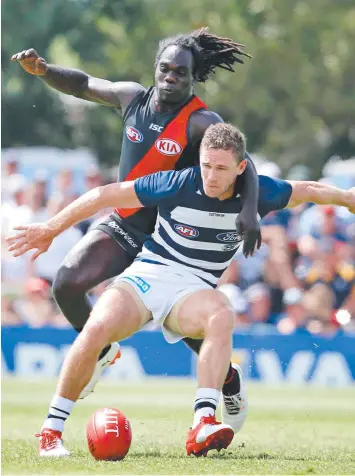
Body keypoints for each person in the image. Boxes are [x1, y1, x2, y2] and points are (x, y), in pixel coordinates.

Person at [8, 123, 355, 457]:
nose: (211, 175)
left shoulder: (262, 192)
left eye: (221, 168)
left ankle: (203, 422)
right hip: (149, 274)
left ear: (241, 167)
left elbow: (310, 189)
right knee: (95, 327)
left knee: (222, 312)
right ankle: (51, 432)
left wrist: (348, 199)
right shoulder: (176, 182)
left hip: (194, 289)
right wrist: (50, 228)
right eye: (206, 165)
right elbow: (104, 194)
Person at [11, 28, 261, 406]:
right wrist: (45, 70)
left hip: (169, 239)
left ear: (193, 77)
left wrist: (249, 211)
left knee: (178, 321)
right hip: (125, 224)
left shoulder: (201, 121)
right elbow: (83, 84)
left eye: (180, 72)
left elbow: (247, 165)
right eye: (165, 69)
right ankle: (102, 351)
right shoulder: (131, 97)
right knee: (66, 284)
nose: (170, 77)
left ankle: (226, 376)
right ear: (155, 68)